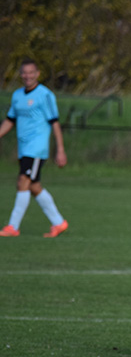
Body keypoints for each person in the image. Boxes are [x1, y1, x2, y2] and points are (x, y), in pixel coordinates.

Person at [0, 58, 69, 238]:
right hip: (24, 148)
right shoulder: (17, 96)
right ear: (21, 74)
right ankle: (59, 222)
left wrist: (60, 149)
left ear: (37, 74)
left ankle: (12, 227)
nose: (28, 76)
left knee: (23, 181)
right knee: (34, 186)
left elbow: (54, 123)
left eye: (31, 72)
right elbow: (10, 120)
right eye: (24, 72)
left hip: (37, 148)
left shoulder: (45, 95)